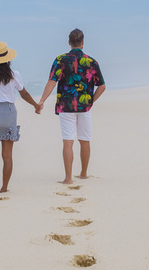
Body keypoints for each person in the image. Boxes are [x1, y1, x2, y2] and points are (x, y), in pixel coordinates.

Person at [38, 29, 106, 184]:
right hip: (84, 107)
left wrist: (42, 100)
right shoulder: (91, 62)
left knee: (68, 141)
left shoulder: (60, 60)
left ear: (69, 42)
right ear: (83, 42)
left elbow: (52, 81)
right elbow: (102, 86)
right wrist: (90, 101)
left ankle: (68, 178)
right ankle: (83, 174)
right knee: (85, 140)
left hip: (65, 106)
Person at [0, 41, 40, 196]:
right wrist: (35, 105)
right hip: (9, 113)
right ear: (7, 58)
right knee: (7, 156)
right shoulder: (14, 75)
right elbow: (23, 94)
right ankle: (4, 187)